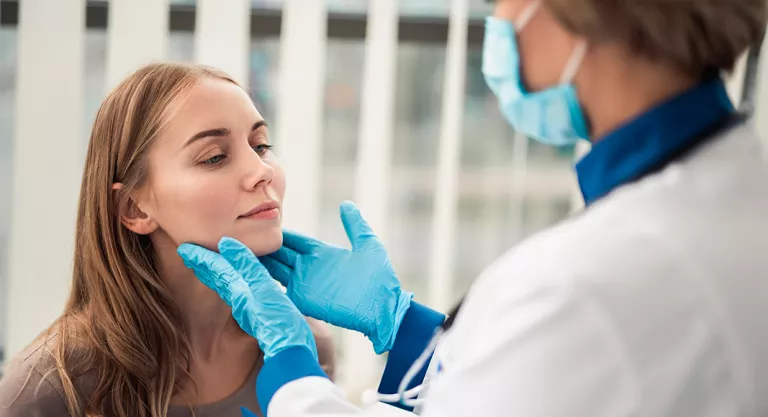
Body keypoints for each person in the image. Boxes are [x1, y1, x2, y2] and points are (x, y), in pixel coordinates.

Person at [179, 0, 768, 416]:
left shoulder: (580, 287)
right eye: (212, 156)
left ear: (577, 14)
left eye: (505, 1)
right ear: (133, 207)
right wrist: (403, 325)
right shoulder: (730, 194)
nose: (502, 19)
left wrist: (294, 381)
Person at [0, 63, 336, 417]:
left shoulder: (301, 349)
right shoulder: (49, 387)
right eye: (215, 157)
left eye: (261, 145)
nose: (262, 171)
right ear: (134, 208)